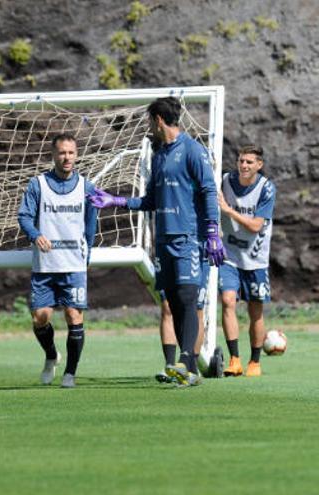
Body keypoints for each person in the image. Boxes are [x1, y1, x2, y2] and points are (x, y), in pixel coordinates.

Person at [89, 97, 224, 387]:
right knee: (174, 303)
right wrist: (116, 201)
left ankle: (187, 364)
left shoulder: (192, 150)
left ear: (159, 120)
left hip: (188, 238)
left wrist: (212, 232)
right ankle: (186, 367)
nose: (150, 126)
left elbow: (209, 191)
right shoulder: (159, 154)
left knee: (188, 298)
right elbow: (151, 200)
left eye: (151, 121)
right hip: (163, 240)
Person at [17, 133, 97, 388]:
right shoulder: (37, 184)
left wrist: (89, 253)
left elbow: (90, 224)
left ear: (77, 154)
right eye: (62, 152)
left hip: (73, 263)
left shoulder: (87, 186)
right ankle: (51, 355)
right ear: (53, 154)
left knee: (74, 317)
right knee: (40, 317)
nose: (67, 157)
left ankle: (70, 374)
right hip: (46, 264)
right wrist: (35, 234)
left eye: (71, 152)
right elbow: (25, 217)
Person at [218, 145, 275, 377]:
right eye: (241, 161)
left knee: (255, 311)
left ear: (259, 165)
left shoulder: (266, 188)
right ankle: (234, 360)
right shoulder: (224, 180)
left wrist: (228, 211)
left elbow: (255, 226)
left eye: (249, 162)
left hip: (255, 258)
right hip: (228, 255)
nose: (244, 165)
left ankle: (255, 361)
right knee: (228, 300)